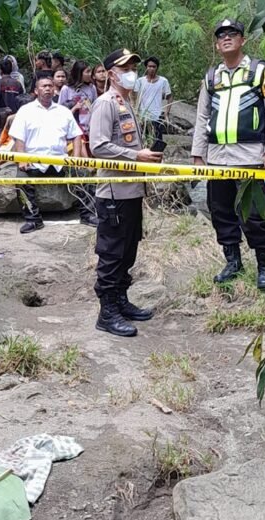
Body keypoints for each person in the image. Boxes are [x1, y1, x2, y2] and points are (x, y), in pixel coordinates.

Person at [191, 19, 265, 290]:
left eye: (233, 34)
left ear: (242, 40)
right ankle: (232, 261)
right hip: (217, 157)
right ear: (217, 44)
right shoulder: (211, 77)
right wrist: (198, 155)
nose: (227, 38)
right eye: (221, 35)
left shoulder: (262, 71)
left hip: (251, 157)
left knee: (254, 214)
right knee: (219, 211)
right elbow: (201, 116)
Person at [89, 49, 163, 337]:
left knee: (128, 250)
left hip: (131, 192)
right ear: (111, 73)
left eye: (134, 65)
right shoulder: (105, 103)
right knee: (111, 253)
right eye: (126, 66)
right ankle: (107, 312)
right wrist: (136, 157)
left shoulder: (126, 102)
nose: (132, 70)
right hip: (113, 193)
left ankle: (120, 300)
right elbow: (98, 146)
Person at [8, 75, 83, 234]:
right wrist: (21, 159)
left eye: (50, 86)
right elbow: (18, 137)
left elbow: (76, 135)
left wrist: (75, 158)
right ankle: (33, 219)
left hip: (60, 161)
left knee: (84, 173)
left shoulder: (63, 111)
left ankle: (88, 214)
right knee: (20, 180)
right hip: (33, 161)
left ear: (55, 90)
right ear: (36, 90)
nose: (48, 89)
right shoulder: (25, 111)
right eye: (44, 86)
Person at [59, 60, 99, 226]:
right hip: (74, 134)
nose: (90, 74)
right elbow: (59, 112)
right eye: (88, 71)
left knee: (94, 170)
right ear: (79, 72)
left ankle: (93, 206)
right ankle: (85, 208)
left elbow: (96, 108)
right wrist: (75, 107)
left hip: (90, 132)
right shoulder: (66, 89)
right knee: (83, 169)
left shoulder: (92, 89)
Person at [133, 56, 172, 142]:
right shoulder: (140, 81)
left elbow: (169, 97)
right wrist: (136, 112)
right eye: (149, 66)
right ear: (146, 67)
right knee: (142, 141)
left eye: (153, 66)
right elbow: (135, 97)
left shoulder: (163, 81)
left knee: (157, 142)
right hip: (142, 117)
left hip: (156, 117)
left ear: (157, 68)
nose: (151, 69)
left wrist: (166, 113)